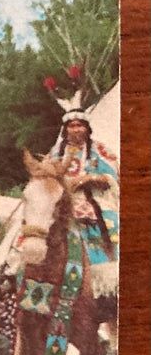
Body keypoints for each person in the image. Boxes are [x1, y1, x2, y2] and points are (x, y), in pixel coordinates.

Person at [47, 89, 119, 341]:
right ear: (65, 129)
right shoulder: (55, 155)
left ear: (87, 129)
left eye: (80, 126)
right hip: (63, 209)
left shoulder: (100, 151)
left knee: (109, 245)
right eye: (72, 126)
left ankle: (107, 291)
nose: (76, 130)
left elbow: (114, 177)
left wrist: (90, 178)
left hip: (94, 208)